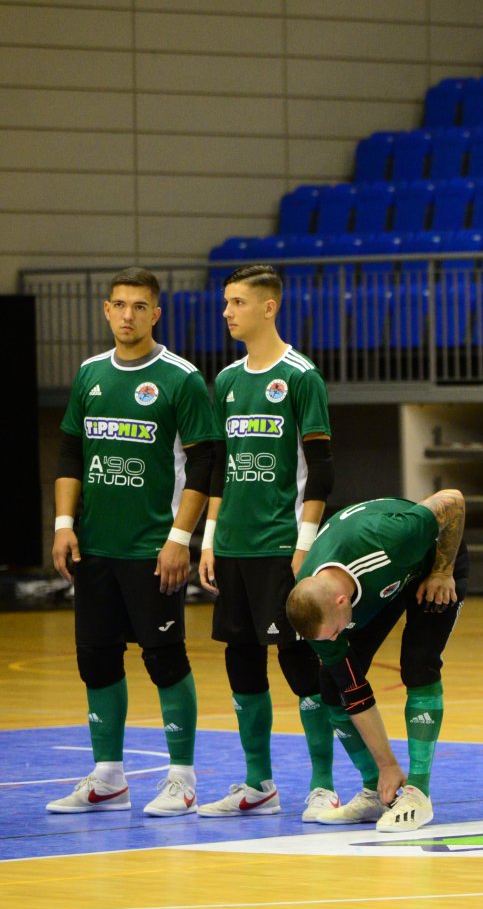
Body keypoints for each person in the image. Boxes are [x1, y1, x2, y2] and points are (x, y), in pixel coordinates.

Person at [47, 268, 218, 818]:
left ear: (156, 314)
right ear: (105, 310)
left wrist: (179, 539)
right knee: (96, 659)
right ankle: (108, 777)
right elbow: (71, 454)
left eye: (139, 306)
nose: (127, 315)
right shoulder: (90, 374)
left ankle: (182, 779)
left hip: (153, 549)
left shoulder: (181, 379)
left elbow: (204, 466)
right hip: (96, 548)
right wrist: (63, 524)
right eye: (119, 305)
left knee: (165, 659)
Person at [194, 265, 337, 821]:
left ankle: (322, 785)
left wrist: (304, 545)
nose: (227, 312)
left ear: (269, 306)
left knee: (299, 665)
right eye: (226, 302)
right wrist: (209, 539)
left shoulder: (302, 376)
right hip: (232, 549)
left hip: (282, 546)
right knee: (241, 662)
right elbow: (219, 472)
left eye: (236, 302)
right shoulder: (226, 381)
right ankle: (258, 783)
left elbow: (321, 471)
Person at [284, 491, 468, 833]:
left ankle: (418, 794)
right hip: (380, 588)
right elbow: (354, 689)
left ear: (341, 603)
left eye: (336, 630)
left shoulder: (392, 538)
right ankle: (375, 790)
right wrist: (386, 765)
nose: (333, 640)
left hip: (429, 563)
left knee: (419, 665)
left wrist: (443, 570)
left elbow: (452, 499)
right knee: (333, 686)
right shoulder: (312, 607)